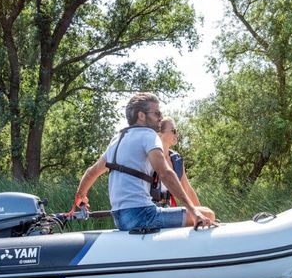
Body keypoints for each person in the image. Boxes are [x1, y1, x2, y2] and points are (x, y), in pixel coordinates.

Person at [72, 93, 216, 231]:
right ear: (141, 115)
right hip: (143, 215)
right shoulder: (149, 135)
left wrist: (81, 195)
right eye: (157, 113)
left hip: (119, 218)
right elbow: (165, 173)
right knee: (207, 213)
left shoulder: (117, 139)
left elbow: (92, 172)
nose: (160, 118)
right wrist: (193, 211)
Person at [154, 116, 204, 210]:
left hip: (168, 208)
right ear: (160, 134)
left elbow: (187, 189)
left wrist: (201, 213)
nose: (176, 134)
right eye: (173, 130)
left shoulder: (176, 159)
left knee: (207, 213)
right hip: (151, 209)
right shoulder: (151, 158)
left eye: (177, 130)